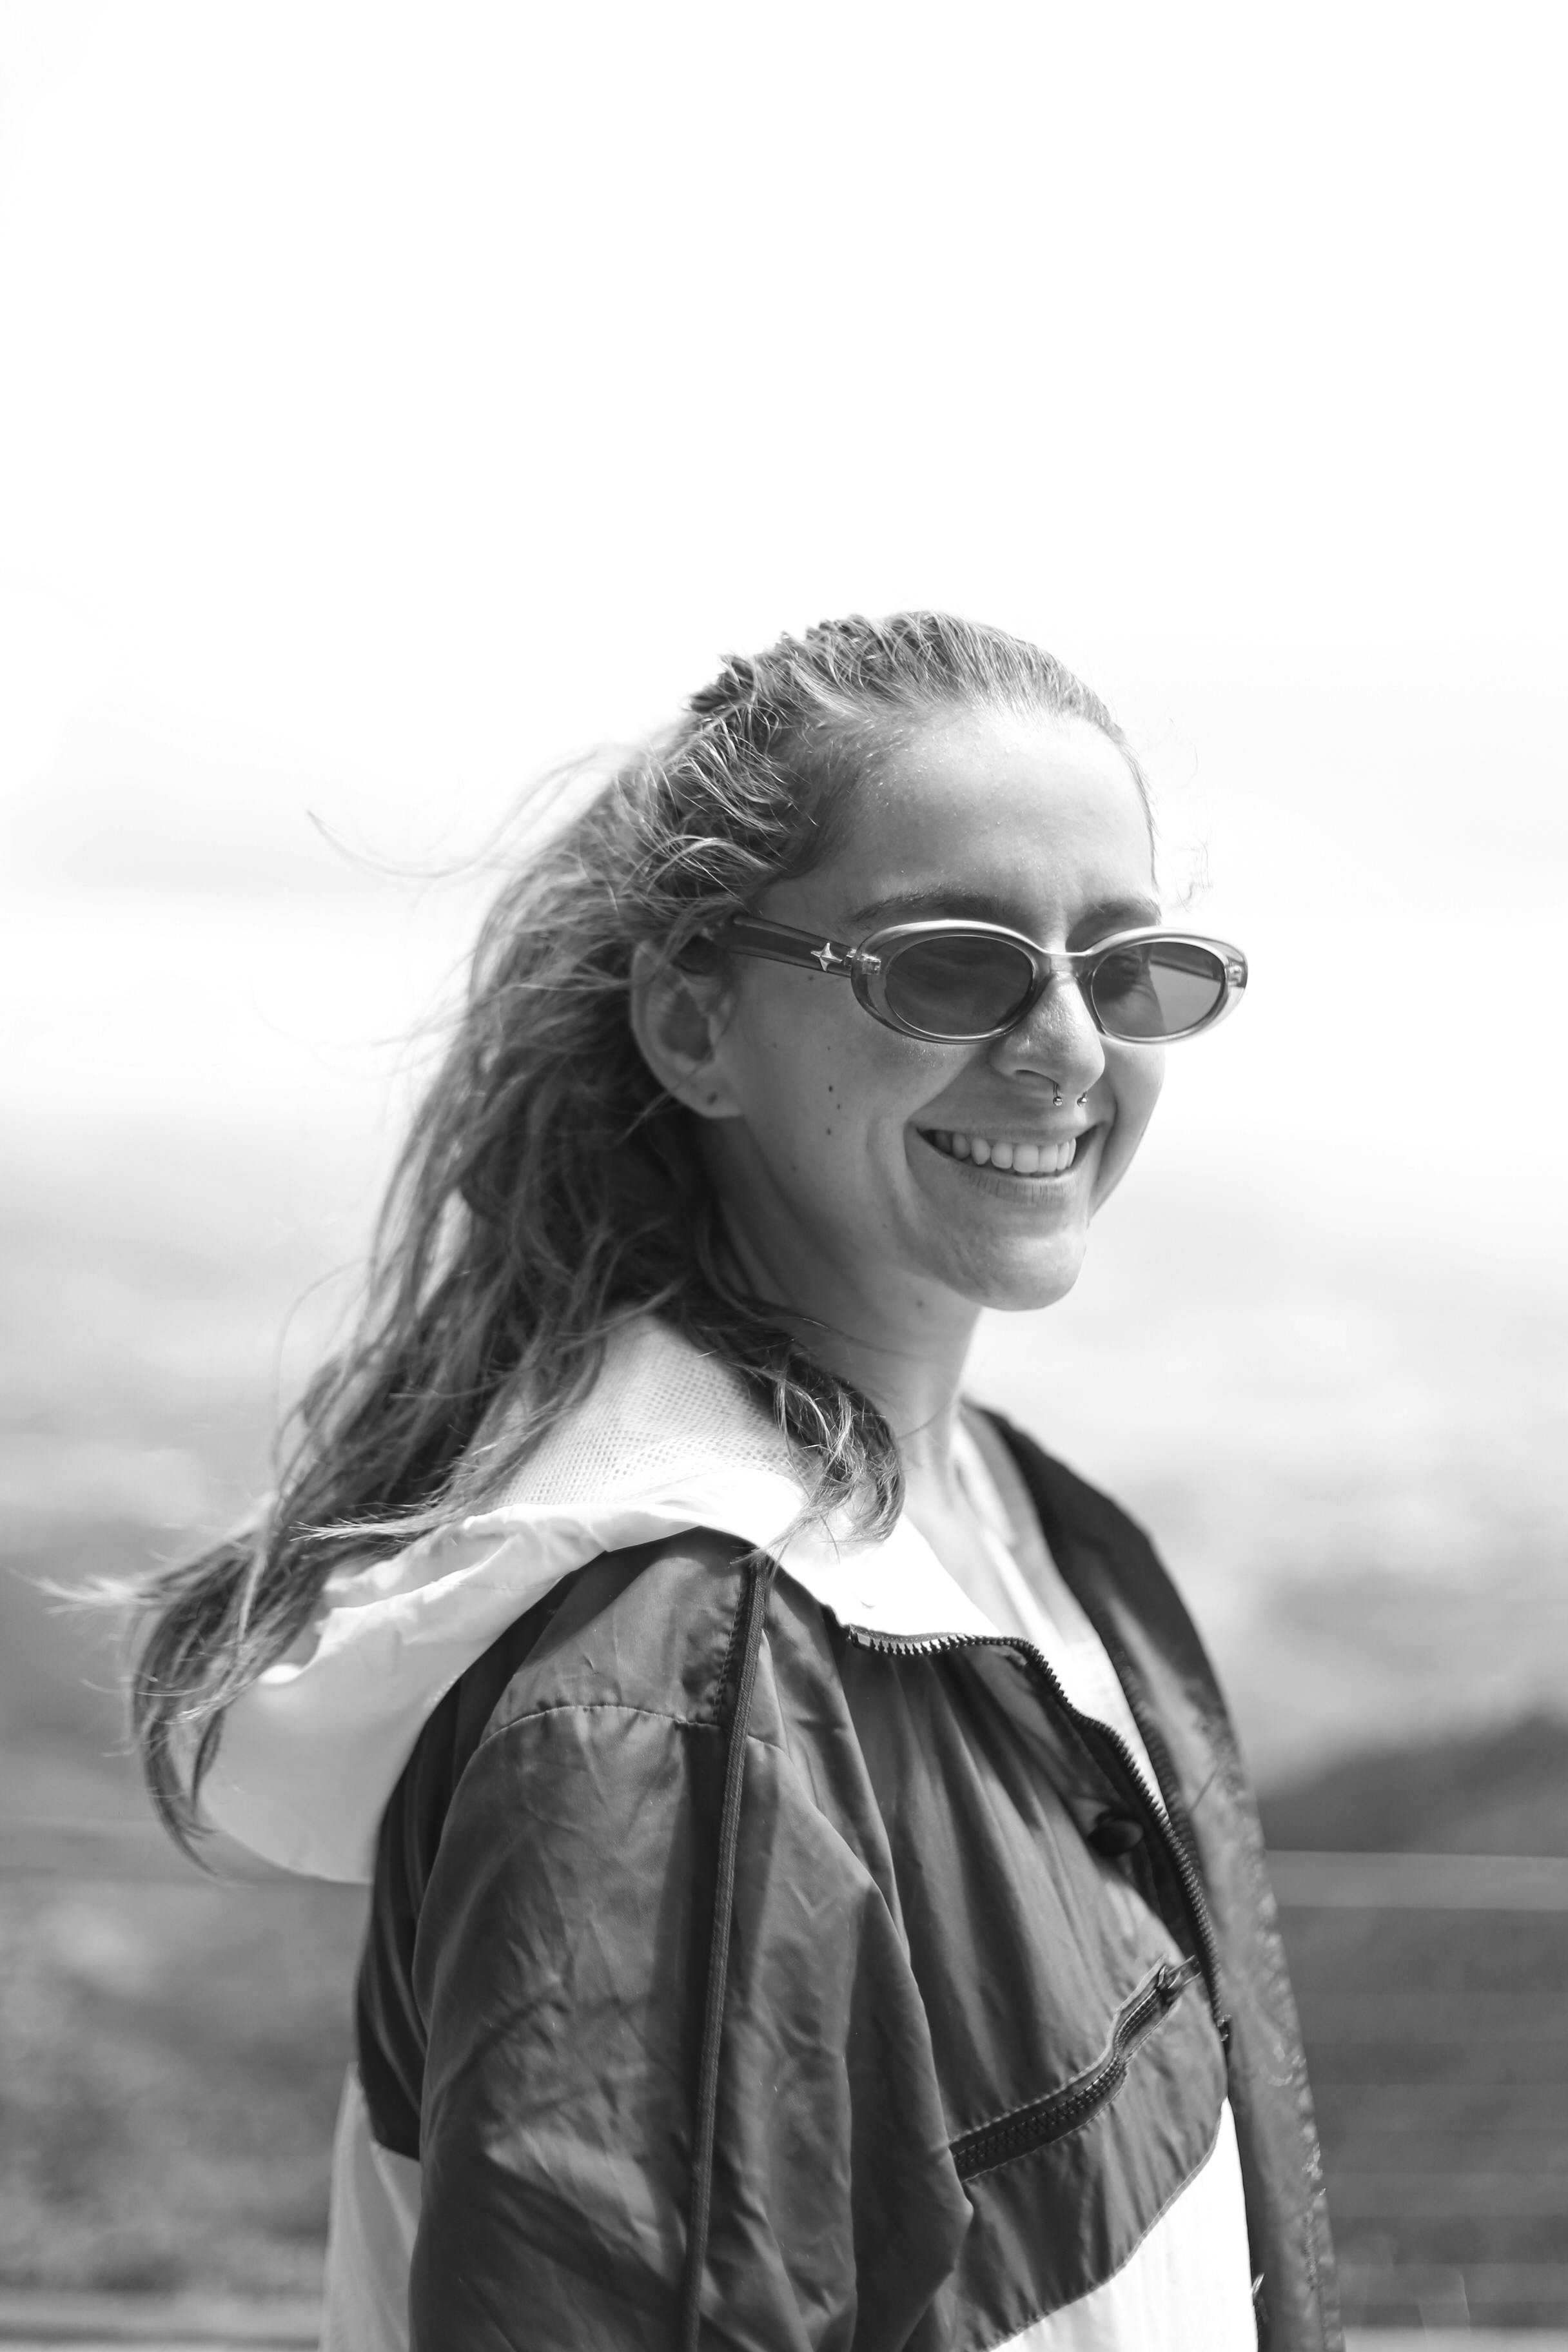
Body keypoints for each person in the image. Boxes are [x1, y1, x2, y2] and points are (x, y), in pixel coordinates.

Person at [128, 614, 1339, 2352]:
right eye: (953, 965)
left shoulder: (1029, 1535)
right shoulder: (683, 1707)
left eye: (1132, 966)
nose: (1073, 1047)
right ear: (697, 1024)